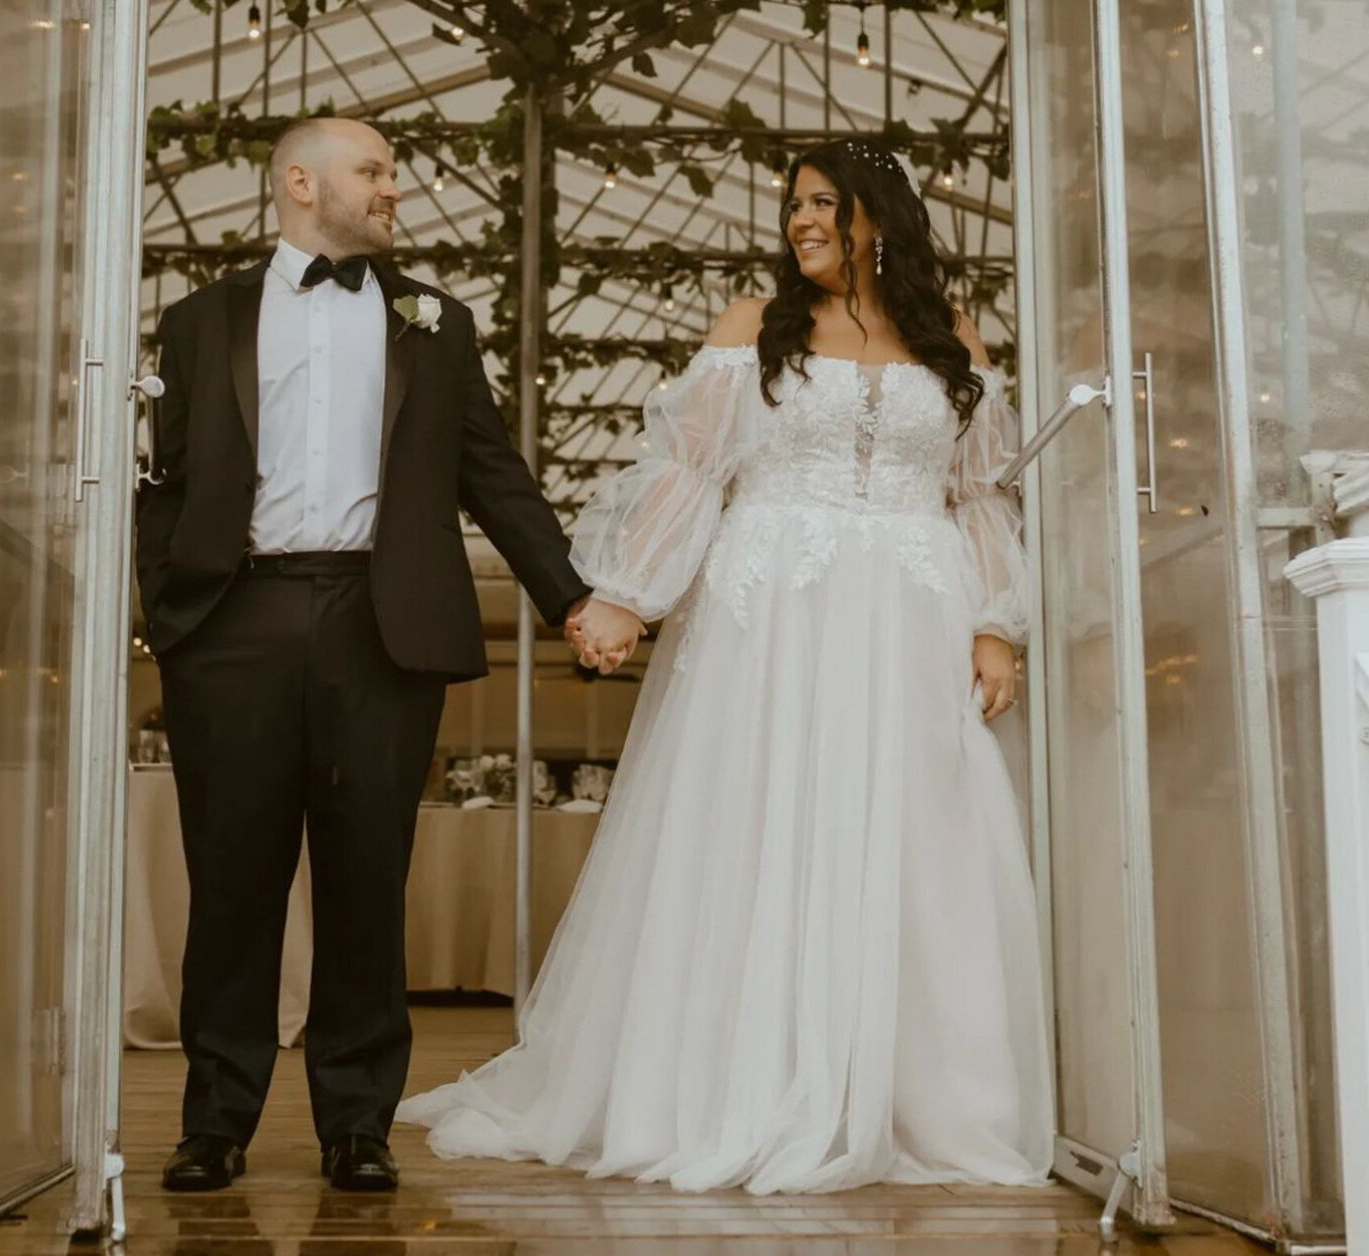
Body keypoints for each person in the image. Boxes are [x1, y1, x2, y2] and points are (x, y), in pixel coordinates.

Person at [397, 139, 1054, 1194]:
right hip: (773, 614)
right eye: (792, 204)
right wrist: (623, 594)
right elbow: (689, 474)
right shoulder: (751, 330)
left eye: (823, 203)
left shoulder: (953, 338)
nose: (799, 220)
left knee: (912, 834)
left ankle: (917, 1092)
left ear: (877, 216)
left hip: (912, 612)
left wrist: (994, 625)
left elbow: (980, 494)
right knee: (764, 820)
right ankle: (743, 1083)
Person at [136, 116, 588, 1193]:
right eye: (372, 170)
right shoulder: (198, 321)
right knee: (232, 880)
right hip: (233, 626)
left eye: (390, 170)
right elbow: (164, 477)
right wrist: (172, 615)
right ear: (301, 182)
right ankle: (215, 1121)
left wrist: (572, 598)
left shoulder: (437, 323)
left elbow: (493, 473)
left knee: (366, 878)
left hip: (381, 626)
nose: (395, 186)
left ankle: (355, 1121)